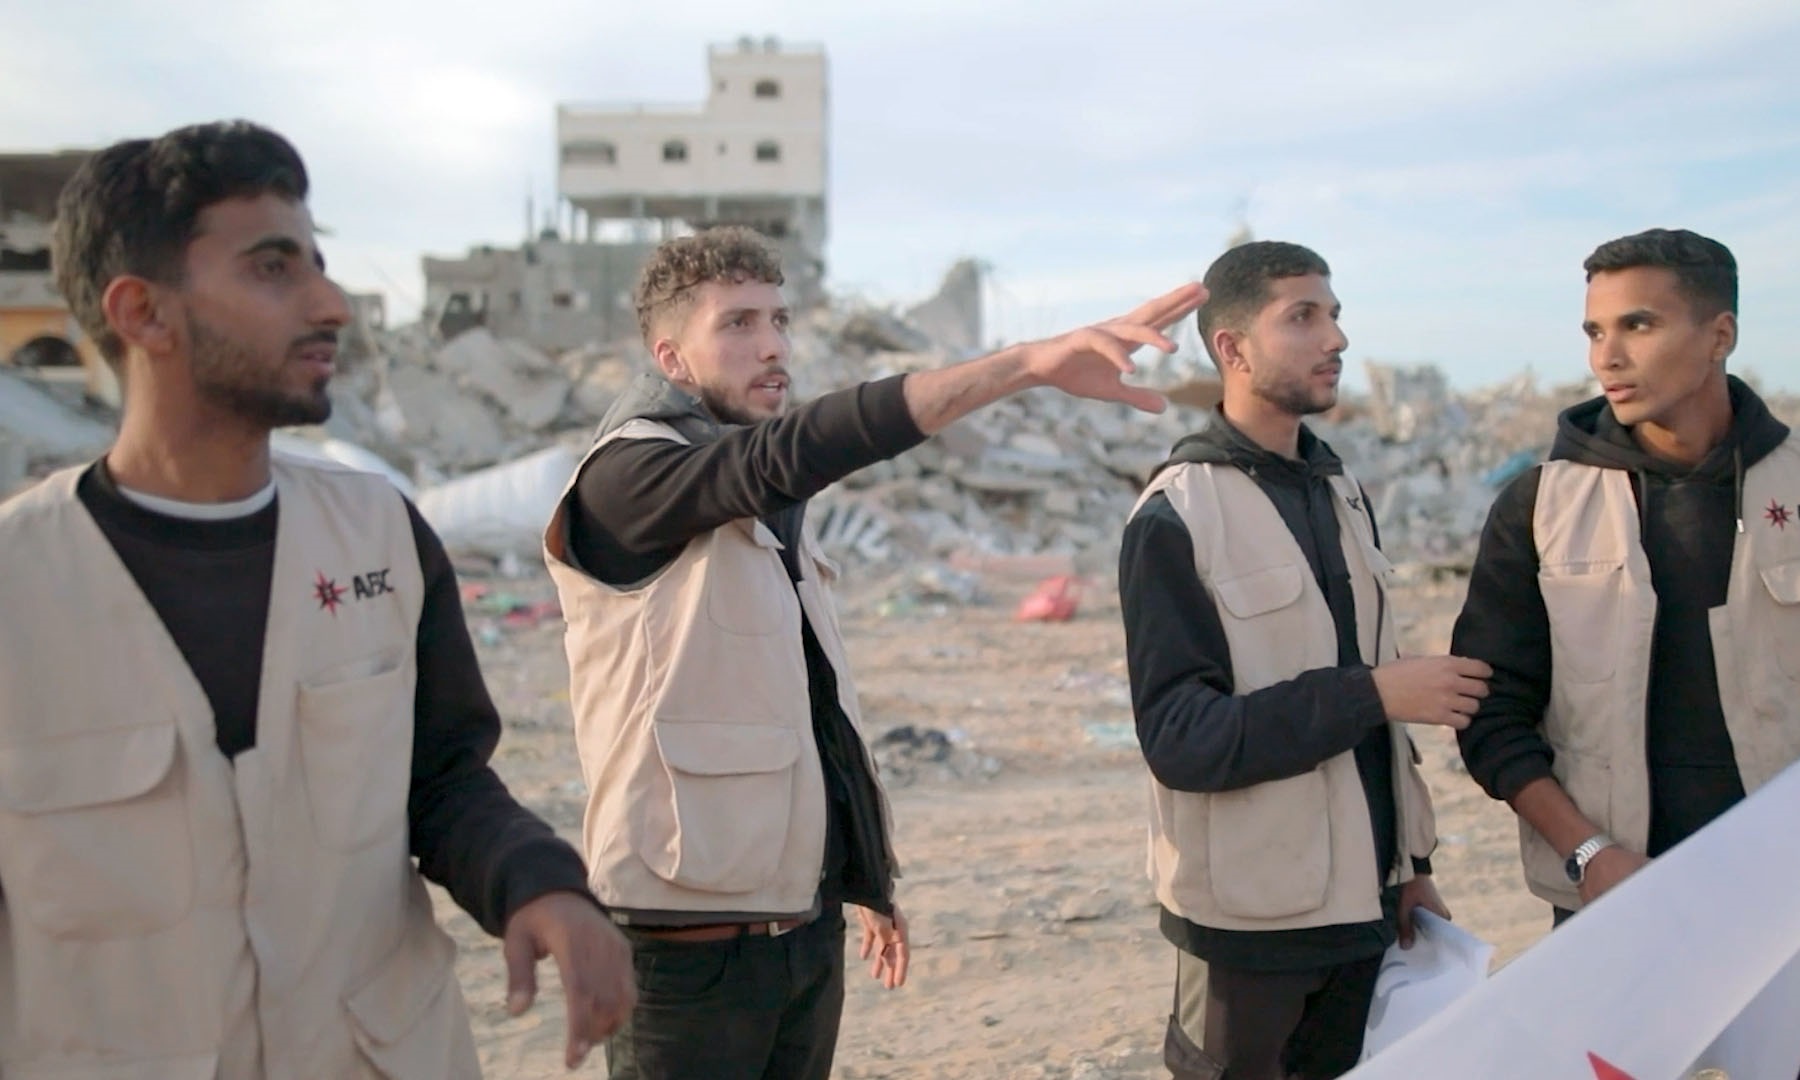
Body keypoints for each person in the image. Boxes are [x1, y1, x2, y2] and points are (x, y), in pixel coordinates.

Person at [0, 120, 635, 1078]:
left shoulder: (380, 533)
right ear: (143, 315)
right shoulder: (19, 583)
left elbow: (444, 778)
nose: (331, 304)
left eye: (319, 265)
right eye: (272, 268)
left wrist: (542, 888)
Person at [542, 224, 1202, 1079]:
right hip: (684, 951)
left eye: (779, 319)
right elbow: (796, 450)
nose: (773, 346)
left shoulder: (761, 501)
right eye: (738, 324)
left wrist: (861, 879)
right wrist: (1026, 365)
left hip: (799, 931)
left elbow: (811, 704)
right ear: (671, 358)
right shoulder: (629, 479)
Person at [1452, 227, 1800, 1078]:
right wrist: (1590, 856)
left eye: (1637, 326)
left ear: (1719, 335)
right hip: (1618, 905)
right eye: (1594, 332)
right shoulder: (1540, 503)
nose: (1608, 356)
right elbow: (1493, 717)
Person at [1117, 240, 1486, 1080]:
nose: (1336, 340)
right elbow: (1183, 739)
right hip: (1249, 928)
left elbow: (1377, 723)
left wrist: (1409, 868)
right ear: (1232, 349)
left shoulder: (1341, 493)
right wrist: (1375, 693)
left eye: (1336, 315)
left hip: (1363, 912)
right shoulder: (1177, 514)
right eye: (1304, 317)